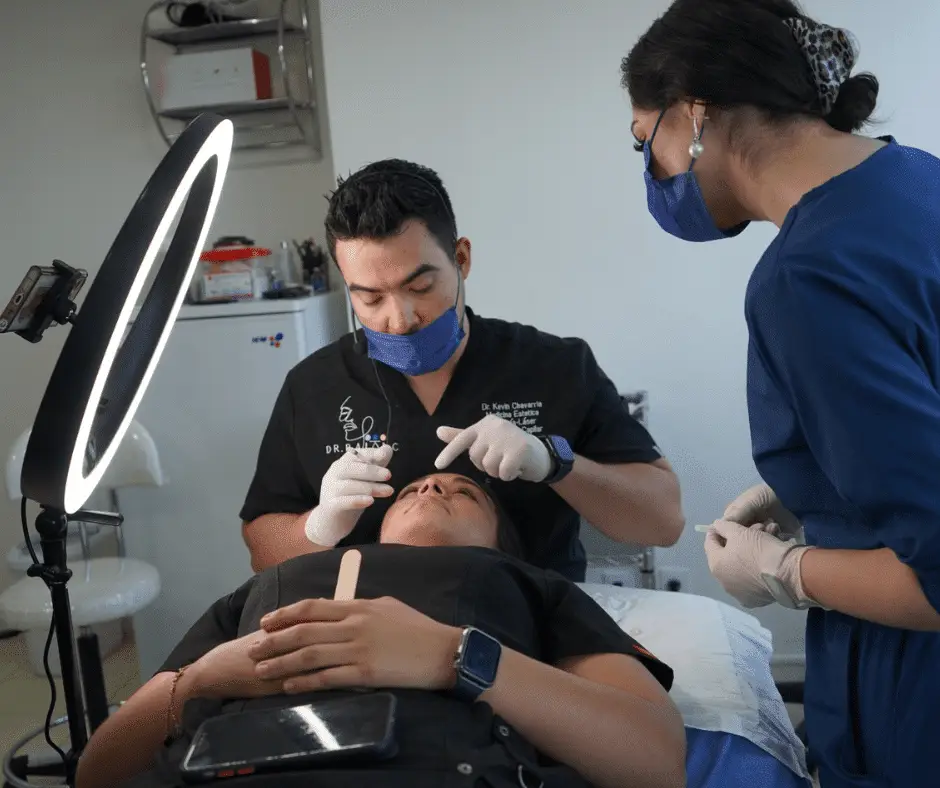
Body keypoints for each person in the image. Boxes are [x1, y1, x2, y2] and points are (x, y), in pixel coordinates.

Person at [622, 1, 940, 786]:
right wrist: (818, 488)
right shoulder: (917, 178)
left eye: (645, 141)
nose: (653, 173)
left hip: (917, 695)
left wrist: (785, 570)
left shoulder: (806, 280)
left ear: (694, 113)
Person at [76, 472, 685, 788]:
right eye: (413, 488)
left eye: (465, 493)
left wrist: (452, 656)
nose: (433, 485)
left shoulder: (532, 586)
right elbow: (98, 772)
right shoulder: (267, 585)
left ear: (503, 545)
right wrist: (199, 681)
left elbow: (654, 761)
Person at [241, 158, 684, 581]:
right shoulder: (314, 387)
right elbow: (262, 553)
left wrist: (554, 463)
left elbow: (663, 522)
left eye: (420, 286)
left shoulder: (554, 367)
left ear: (462, 258)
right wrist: (319, 526)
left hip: (532, 620)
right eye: (370, 298)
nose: (400, 319)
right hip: (369, 621)